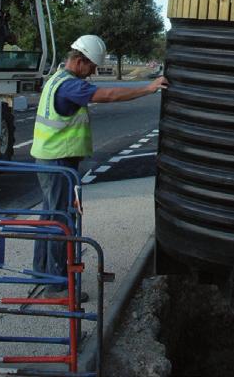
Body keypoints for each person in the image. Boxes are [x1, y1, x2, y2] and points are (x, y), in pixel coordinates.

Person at [31, 34, 168, 299]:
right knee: (61, 220)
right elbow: (108, 94)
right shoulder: (70, 85)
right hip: (59, 161)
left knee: (49, 216)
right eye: (92, 67)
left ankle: (43, 273)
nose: (92, 73)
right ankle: (56, 287)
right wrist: (148, 88)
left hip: (48, 158)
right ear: (79, 61)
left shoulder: (56, 79)